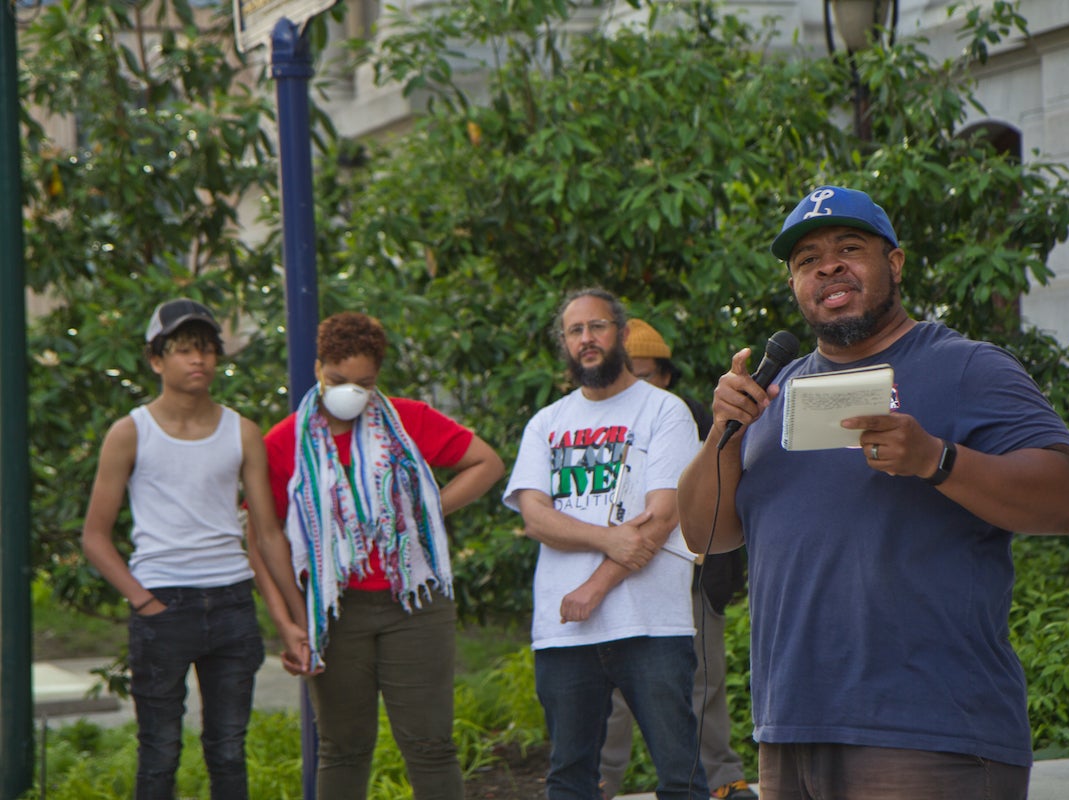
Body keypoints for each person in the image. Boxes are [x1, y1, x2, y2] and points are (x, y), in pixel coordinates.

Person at [676, 186, 1069, 800]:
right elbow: (706, 532)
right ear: (794, 284)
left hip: (931, 732)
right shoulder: (772, 390)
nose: (828, 266)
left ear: (894, 264)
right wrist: (722, 439)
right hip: (790, 731)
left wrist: (936, 459)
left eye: (849, 248)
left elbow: (1066, 502)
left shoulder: (969, 366)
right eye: (807, 259)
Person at [252, 311, 505, 800]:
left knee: (430, 745)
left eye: (364, 383)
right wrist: (287, 620)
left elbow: (487, 463)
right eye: (338, 379)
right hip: (336, 610)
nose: (351, 391)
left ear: (378, 379)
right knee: (343, 749)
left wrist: (422, 512)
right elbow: (263, 543)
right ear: (318, 368)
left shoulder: (407, 422)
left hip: (415, 604)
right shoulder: (284, 443)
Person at [81, 298, 311, 800]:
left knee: (228, 748)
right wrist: (143, 601)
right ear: (156, 359)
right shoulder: (130, 432)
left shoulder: (242, 431)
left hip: (231, 603)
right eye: (184, 349)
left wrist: (296, 620)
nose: (198, 360)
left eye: (206, 349)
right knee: (159, 751)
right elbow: (95, 535)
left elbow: (268, 535)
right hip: (163, 606)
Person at [503, 288, 709, 800]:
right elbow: (535, 518)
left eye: (596, 327)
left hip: (652, 623)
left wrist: (594, 587)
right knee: (569, 780)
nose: (586, 339)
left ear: (619, 332)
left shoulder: (665, 410)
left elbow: (662, 516)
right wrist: (610, 539)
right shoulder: (546, 423)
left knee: (680, 777)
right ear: (565, 345)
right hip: (563, 632)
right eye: (575, 331)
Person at [600, 319, 755, 800]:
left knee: (702, 682)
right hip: (617, 575)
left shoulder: (691, 416)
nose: (634, 385)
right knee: (611, 690)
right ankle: (598, 782)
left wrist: (716, 567)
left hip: (688, 574)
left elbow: (721, 494)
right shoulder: (594, 424)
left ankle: (722, 779)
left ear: (665, 375)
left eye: (645, 375)